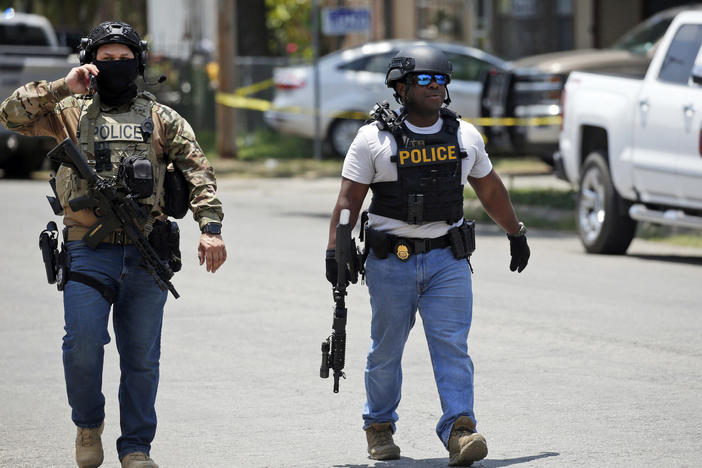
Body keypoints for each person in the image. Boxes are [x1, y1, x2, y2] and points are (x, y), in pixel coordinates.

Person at [0, 21, 226, 468]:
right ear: (91, 62)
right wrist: (64, 85)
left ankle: (136, 447)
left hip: (147, 253)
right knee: (81, 346)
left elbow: (199, 173)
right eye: (107, 59)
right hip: (88, 250)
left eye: (125, 59)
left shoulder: (162, 118)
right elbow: (11, 114)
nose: (117, 67)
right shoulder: (69, 110)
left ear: (138, 62)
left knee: (142, 359)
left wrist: (211, 227)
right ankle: (88, 425)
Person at [325, 45, 530, 466]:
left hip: (447, 260)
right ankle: (379, 426)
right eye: (424, 79)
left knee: (452, 346)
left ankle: (461, 429)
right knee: (385, 351)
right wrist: (335, 250)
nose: (435, 86)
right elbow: (348, 201)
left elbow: (490, 189)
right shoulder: (373, 139)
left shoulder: (464, 135)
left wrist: (515, 232)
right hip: (390, 261)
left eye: (441, 79)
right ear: (401, 87)